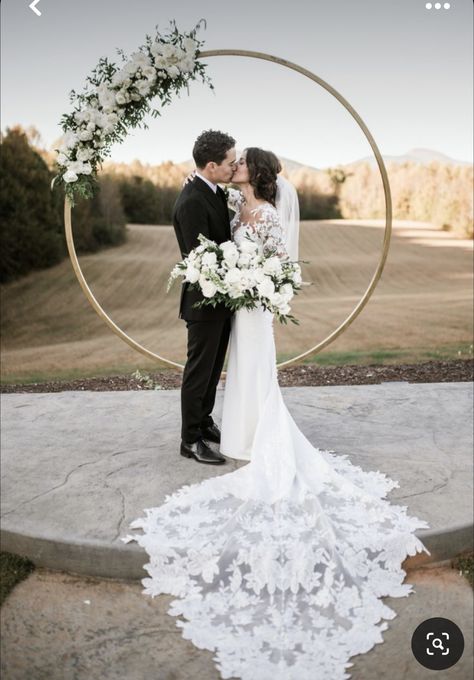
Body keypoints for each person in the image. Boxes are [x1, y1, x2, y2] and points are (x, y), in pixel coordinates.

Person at [123, 147, 431, 680]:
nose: (236, 164)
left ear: (253, 172)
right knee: (232, 373)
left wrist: (249, 278)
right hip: (234, 303)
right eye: (231, 159)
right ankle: (234, 432)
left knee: (250, 373)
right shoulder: (232, 201)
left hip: (251, 307)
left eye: (242, 161)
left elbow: (269, 259)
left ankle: (250, 434)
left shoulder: (262, 210)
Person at [172, 129, 236, 465]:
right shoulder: (192, 200)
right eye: (229, 162)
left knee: (212, 372)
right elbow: (200, 257)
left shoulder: (211, 191)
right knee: (198, 373)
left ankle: (205, 421)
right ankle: (190, 440)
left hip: (222, 301)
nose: (234, 167)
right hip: (203, 300)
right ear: (211, 165)